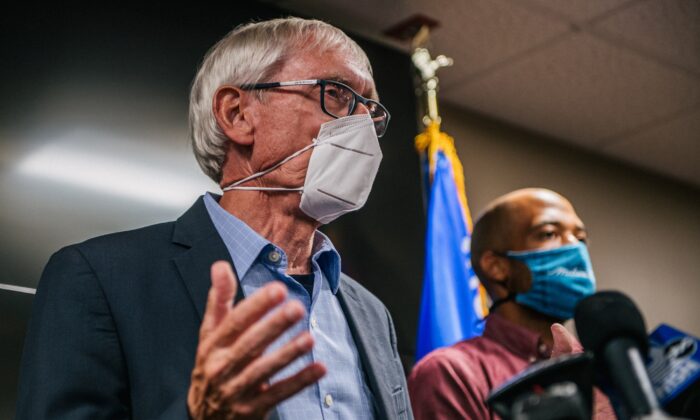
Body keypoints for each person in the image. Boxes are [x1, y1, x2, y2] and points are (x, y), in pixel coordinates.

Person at [17, 17, 412, 419]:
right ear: (237, 113)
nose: (362, 126)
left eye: (371, 111)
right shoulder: (99, 279)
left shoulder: (372, 314)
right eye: (338, 94)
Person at [408, 188, 614, 419]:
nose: (575, 247)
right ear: (496, 266)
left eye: (581, 238)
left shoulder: (604, 373)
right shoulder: (452, 373)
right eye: (548, 234)